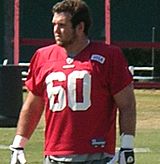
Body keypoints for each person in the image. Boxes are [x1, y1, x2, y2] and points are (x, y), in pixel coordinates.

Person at [10, 0, 136, 163]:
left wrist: (127, 146)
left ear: (80, 27)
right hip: (55, 156)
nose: (56, 30)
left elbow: (127, 104)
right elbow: (33, 105)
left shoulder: (108, 56)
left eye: (62, 25)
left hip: (97, 156)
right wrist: (18, 144)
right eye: (54, 24)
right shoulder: (43, 56)